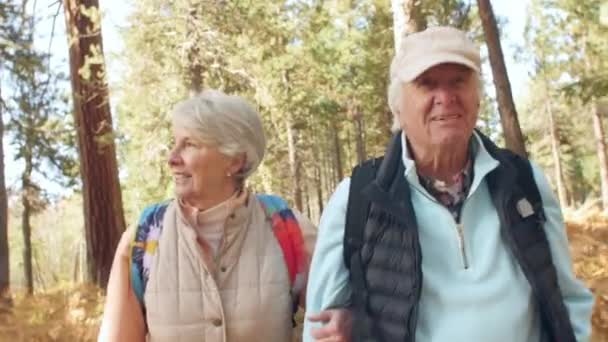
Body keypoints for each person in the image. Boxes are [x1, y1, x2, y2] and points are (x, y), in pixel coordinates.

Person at [304, 26, 594, 342]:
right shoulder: (357, 199)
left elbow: (568, 301)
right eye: (427, 84)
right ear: (397, 106)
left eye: (459, 81)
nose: (446, 98)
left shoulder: (524, 183)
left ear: (478, 97)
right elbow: (321, 329)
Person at [98, 90, 318, 342]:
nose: (172, 159)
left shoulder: (287, 228)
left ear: (235, 161)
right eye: (175, 143)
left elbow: (340, 323)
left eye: (189, 144)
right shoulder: (145, 235)